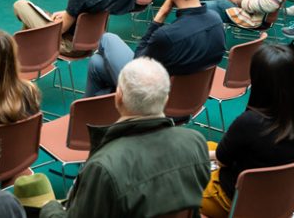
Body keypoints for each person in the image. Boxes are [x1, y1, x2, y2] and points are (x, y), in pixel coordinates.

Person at [40, 58, 210, 217]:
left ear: (118, 97)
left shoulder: (103, 167)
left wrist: (49, 208)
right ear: (166, 99)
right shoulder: (196, 142)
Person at [201, 45, 294, 217]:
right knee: (207, 145)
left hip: (233, 201)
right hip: (281, 201)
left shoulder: (249, 123)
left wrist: (197, 157)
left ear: (258, 79)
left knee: (175, 180)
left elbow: (222, 160)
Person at [85, 0, 225, 97]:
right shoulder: (217, 21)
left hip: (154, 100)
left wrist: (159, 18)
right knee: (96, 63)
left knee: (107, 38)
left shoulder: (168, 35)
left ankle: (97, 107)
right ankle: (100, 104)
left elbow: (137, 63)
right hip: (190, 98)